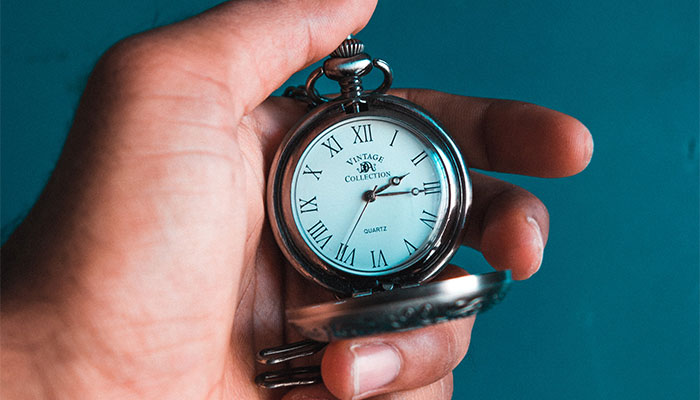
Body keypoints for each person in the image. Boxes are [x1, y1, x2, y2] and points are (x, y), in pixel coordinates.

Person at [0, 1, 593, 399]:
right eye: (369, 189)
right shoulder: (276, 156)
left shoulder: (412, 156)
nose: (370, 191)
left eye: (380, 187)